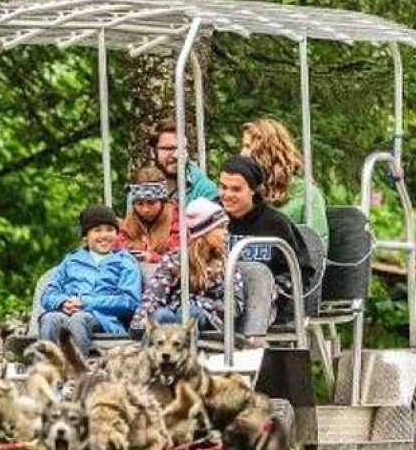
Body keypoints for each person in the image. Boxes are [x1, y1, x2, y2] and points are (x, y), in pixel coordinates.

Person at [219, 155, 315, 325]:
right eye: (223, 187)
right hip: (221, 299)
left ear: (253, 190)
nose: (227, 195)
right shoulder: (213, 218)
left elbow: (302, 271)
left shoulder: (275, 224)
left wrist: (277, 288)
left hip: (265, 306)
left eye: (236, 189)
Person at [39, 204, 142, 356]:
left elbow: (129, 302)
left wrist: (85, 303)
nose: (104, 235)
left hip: (104, 320)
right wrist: (62, 302)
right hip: (67, 313)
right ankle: (46, 372)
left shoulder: (125, 261)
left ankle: (79, 373)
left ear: (117, 234)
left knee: (78, 319)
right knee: (50, 318)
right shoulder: (71, 261)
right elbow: (49, 293)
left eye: (110, 230)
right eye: (97, 230)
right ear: (86, 236)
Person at [131, 197, 243, 332]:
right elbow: (154, 295)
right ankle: (145, 350)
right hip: (175, 315)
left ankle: (186, 349)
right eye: (220, 227)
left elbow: (235, 305)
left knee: (190, 312)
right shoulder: (175, 259)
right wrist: (140, 322)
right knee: (160, 316)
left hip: (212, 321)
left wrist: (197, 303)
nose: (226, 232)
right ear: (204, 231)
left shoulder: (227, 261)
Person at [241, 118, 329, 250]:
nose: (242, 154)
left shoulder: (306, 196)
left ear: (266, 152)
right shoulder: (244, 193)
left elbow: (317, 249)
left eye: (247, 147)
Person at [116, 167, 180, 264]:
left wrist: (152, 258)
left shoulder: (177, 220)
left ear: (162, 202)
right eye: (139, 204)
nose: (145, 209)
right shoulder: (128, 224)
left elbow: (179, 257)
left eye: (151, 203)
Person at [150, 117, 218, 204]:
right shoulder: (141, 187)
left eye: (182, 148)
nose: (176, 155)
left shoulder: (204, 189)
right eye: (169, 148)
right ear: (152, 152)